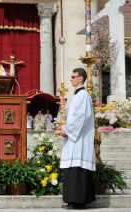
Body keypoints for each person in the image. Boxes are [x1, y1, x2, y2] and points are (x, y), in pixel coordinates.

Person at [60, 68, 96, 210]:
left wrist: (67, 129)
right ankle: (71, 199)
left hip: (80, 139)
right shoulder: (77, 96)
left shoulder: (83, 95)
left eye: (73, 76)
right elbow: (72, 114)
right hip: (74, 139)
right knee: (71, 169)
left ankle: (79, 201)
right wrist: (65, 106)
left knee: (78, 169)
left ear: (80, 78)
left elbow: (82, 117)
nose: (71, 79)